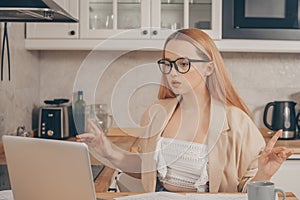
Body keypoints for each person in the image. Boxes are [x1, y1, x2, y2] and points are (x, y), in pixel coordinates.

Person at [76, 28, 292, 193]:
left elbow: (246, 191)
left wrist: (263, 174)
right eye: (168, 64)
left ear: (209, 67)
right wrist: (108, 151)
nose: (173, 73)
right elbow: (146, 167)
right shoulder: (157, 112)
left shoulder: (237, 121)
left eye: (183, 64)